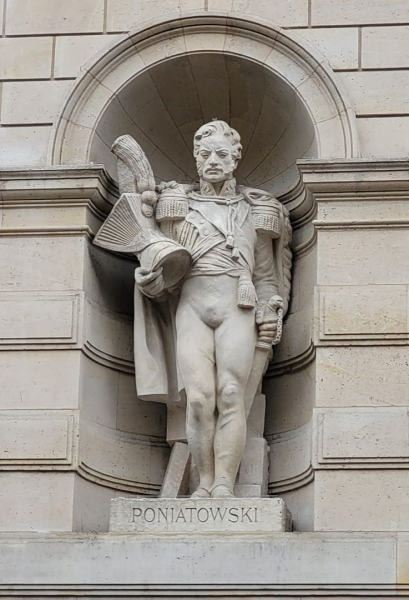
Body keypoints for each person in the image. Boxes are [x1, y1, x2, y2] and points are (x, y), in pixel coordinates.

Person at [133, 121, 291, 499]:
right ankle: (203, 482)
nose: (213, 161)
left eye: (221, 154)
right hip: (192, 306)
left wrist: (271, 306)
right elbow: (164, 268)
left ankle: (224, 484)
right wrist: (151, 282)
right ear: (196, 159)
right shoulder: (175, 207)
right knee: (200, 399)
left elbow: (266, 276)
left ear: (235, 159)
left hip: (238, 306)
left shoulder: (256, 210)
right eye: (205, 154)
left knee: (232, 393)